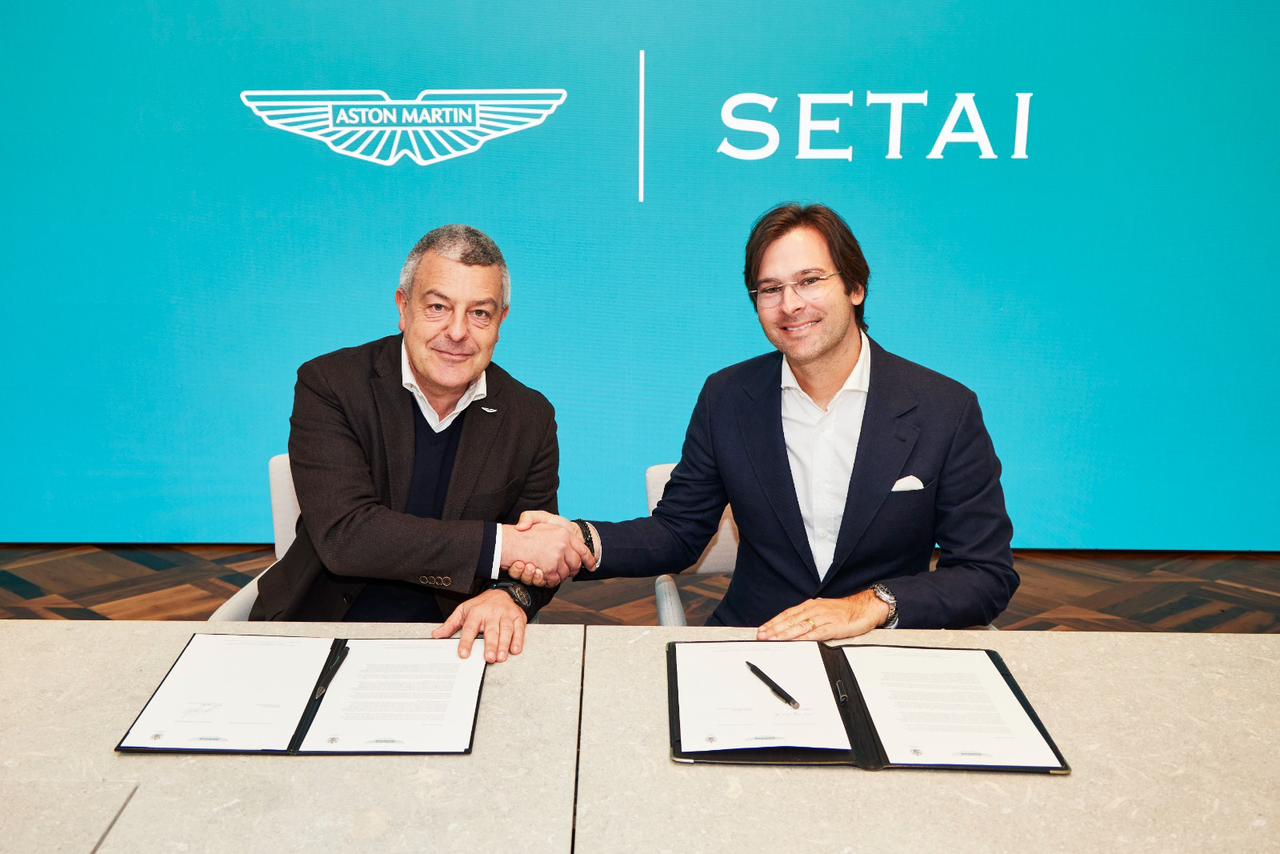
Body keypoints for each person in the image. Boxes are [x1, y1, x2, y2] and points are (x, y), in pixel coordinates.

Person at [511, 203, 1017, 640]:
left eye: (810, 281)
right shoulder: (728, 396)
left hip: (881, 645)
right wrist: (580, 540)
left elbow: (985, 572)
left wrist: (868, 606)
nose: (790, 305)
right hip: (756, 637)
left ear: (856, 286)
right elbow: (679, 532)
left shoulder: (944, 408)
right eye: (770, 289)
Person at [250, 225, 593, 662]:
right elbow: (347, 537)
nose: (457, 331)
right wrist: (503, 546)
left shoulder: (530, 416)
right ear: (403, 307)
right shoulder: (331, 385)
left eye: (479, 313)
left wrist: (508, 596)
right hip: (320, 629)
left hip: (457, 640)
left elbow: (537, 551)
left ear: (501, 322)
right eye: (437, 307)